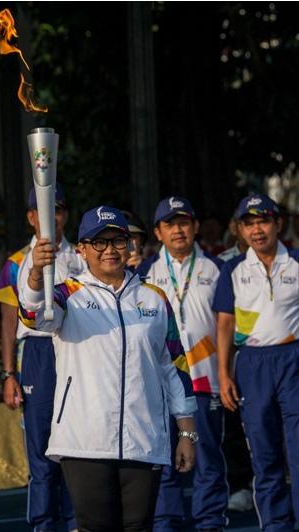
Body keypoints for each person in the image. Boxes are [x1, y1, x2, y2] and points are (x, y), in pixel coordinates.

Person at [18, 206, 198, 531]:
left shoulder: (154, 299)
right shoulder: (66, 294)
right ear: (82, 250)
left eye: (117, 240)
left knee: (139, 526)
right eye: (99, 243)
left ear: (129, 245)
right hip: (84, 439)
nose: (109, 250)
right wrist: (34, 276)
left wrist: (186, 431)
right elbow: (33, 316)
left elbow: (174, 367)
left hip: (144, 436)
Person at [137, 197, 228, 531]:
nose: (178, 230)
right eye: (169, 224)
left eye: (184, 222)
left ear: (196, 227)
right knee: (163, 460)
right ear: (158, 233)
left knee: (208, 459)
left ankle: (209, 523)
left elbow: (227, 327)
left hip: (205, 379)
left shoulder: (217, 269)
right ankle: (166, 523)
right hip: (161, 383)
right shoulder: (145, 272)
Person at [0, 183, 81, 532]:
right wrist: (8, 374)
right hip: (39, 354)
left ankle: (78, 521)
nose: (52, 218)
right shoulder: (16, 263)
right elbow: (6, 323)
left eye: (58, 210)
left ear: (65, 215)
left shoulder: (82, 256)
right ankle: (44, 524)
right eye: (44, 212)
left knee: (78, 444)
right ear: (31, 218)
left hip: (76, 351)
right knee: (42, 448)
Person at [213, 194, 299, 531]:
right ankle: (276, 525)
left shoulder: (295, 262)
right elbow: (224, 324)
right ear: (240, 230)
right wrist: (223, 374)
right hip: (253, 363)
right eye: (249, 224)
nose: (257, 229)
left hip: (293, 360)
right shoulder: (233, 269)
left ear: (277, 223)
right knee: (265, 454)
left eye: (263, 221)